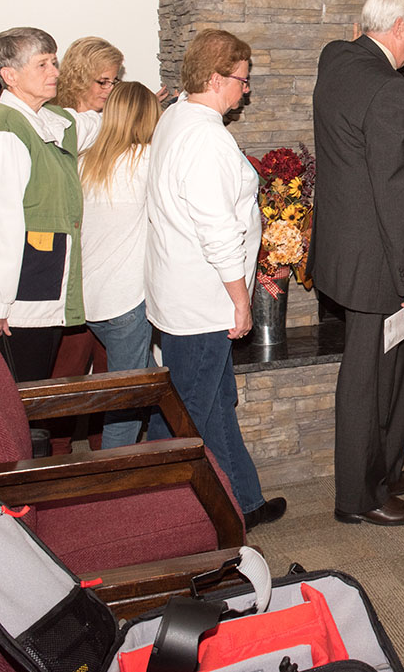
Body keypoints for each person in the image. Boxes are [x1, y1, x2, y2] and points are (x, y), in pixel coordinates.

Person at [145, 28, 286, 532]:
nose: (245, 90)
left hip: (183, 294)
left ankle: (244, 499)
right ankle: (187, 514)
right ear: (213, 78)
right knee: (192, 415)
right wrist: (240, 301)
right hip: (203, 300)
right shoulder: (204, 137)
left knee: (215, 402)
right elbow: (217, 230)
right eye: (241, 81)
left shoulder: (177, 117)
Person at [311, 0, 404, 526]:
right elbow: (395, 192)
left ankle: (382, 467)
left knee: (389, 368)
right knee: (370, 378)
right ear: (402, 26)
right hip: (377, 261)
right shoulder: (391, 92)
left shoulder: (336, 58)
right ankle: (360, 497)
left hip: (345, 252)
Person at [0, 27, 99, 382]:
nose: (55, 72)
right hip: (12, 308)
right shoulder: (3, 134)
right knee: (14, 408)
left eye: (54, 62)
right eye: (42, 64)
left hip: (34, 295)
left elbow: (92, 125)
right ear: (9, 76)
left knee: (29, 402)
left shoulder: (47, 120)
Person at [79, 81, 159, 447]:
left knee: (155, 384)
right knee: (126, 407)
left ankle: (170, 460)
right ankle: (111, 492)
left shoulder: (86, 161)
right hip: (127, 299)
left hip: (90, 302)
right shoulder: (146, 159)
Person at [50, 37, 127, 378]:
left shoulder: (100, 121)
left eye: (115, 82)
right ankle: (52, 435)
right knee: (68, 368)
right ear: (80, 78)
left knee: (111, 369)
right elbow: (84, 132)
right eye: (103, 82)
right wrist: (131, 116)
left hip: (107, 263)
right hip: (71, 264)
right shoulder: (62, 122)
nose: (110, 89)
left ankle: (107, 435)